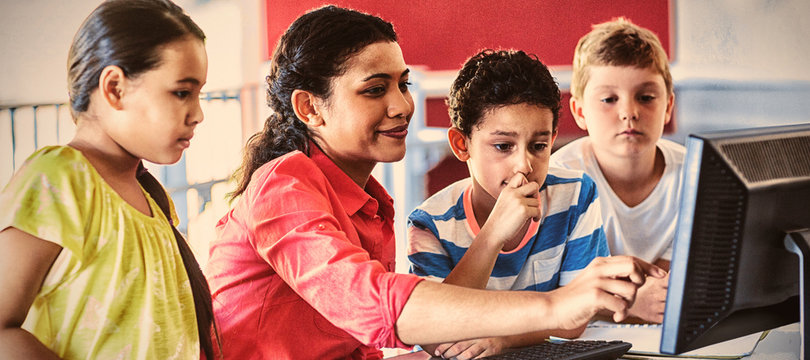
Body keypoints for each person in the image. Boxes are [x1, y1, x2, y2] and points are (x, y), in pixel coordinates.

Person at [205, 6, 665, 360]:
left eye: (402, 84)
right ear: (310, 109)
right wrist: (557, 307)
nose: (402, 105)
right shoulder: (281, 187)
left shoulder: (369, 200)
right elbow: (377, 307)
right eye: (374, 89)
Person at [0, 0, 217, 359]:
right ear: (115, 88)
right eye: (182, 92)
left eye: (199, 94)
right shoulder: (58, 179)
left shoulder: (152, 199)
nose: (198, 114)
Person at [406, 49, 611, 358]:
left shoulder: (576, 196)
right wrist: (491, 236)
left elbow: (577, 315)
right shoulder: (429, 225)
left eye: (539, 146)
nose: (524, 164)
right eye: (503, 146)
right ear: (462, 145)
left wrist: (503, 340)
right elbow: (435, 333)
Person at [549, 17, 685, 324]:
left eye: (646, 97)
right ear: (580, 111)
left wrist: (641, 298)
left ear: (668, 107)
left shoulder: (694, 176)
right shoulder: (560, 180)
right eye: (609, 99)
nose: (629, 112)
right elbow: (554, 291)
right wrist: (630, 303)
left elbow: (669, 287)